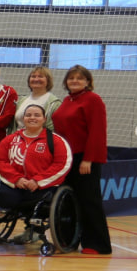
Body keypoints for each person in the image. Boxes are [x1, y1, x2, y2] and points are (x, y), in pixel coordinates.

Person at [49, 66, 111, 254]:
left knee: (89, 201)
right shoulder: (67, 100)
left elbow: (97, 131)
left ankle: (97, 244)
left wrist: (88, 159)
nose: (75, 81)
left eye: (79, 78)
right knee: (67, 201)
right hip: (66, 158)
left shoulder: (93, 99)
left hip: (84, 158)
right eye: (71, 78)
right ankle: (67, 240)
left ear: (87, 81)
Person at [0, 104, 70, 218]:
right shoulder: (10, 139)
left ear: (44, 119)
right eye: (28, 115)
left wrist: (38, 181)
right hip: (15, 184)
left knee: (41, 205)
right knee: (3, 198)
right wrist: (16, 179)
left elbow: (62, 164)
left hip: (42, 186)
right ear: (23, 119)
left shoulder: (56, 141)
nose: (32, 118)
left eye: (37, 115)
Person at [14, 67, 61, 133]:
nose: (36, 79)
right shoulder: (21, 101)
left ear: (48, 81)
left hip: (42, 138)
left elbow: (53, 128)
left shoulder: (55, 103)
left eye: (40, 76)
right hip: (19, 137)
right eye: (33, 76)